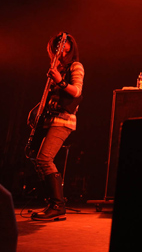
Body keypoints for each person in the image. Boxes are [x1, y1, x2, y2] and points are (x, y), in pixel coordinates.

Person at [29, 33, 84, 221]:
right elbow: (50, 95)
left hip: (63, 120)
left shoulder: (75, 66)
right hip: (49, 119)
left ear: (70, 47)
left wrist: (60, 80)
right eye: (58, 44)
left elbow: (77, 91)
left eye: (65, 43)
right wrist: (36, 110)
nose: (61, 46)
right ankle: (52, 203)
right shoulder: (56, 68)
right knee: (37, 159)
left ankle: (58, 206)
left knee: (44, 159)